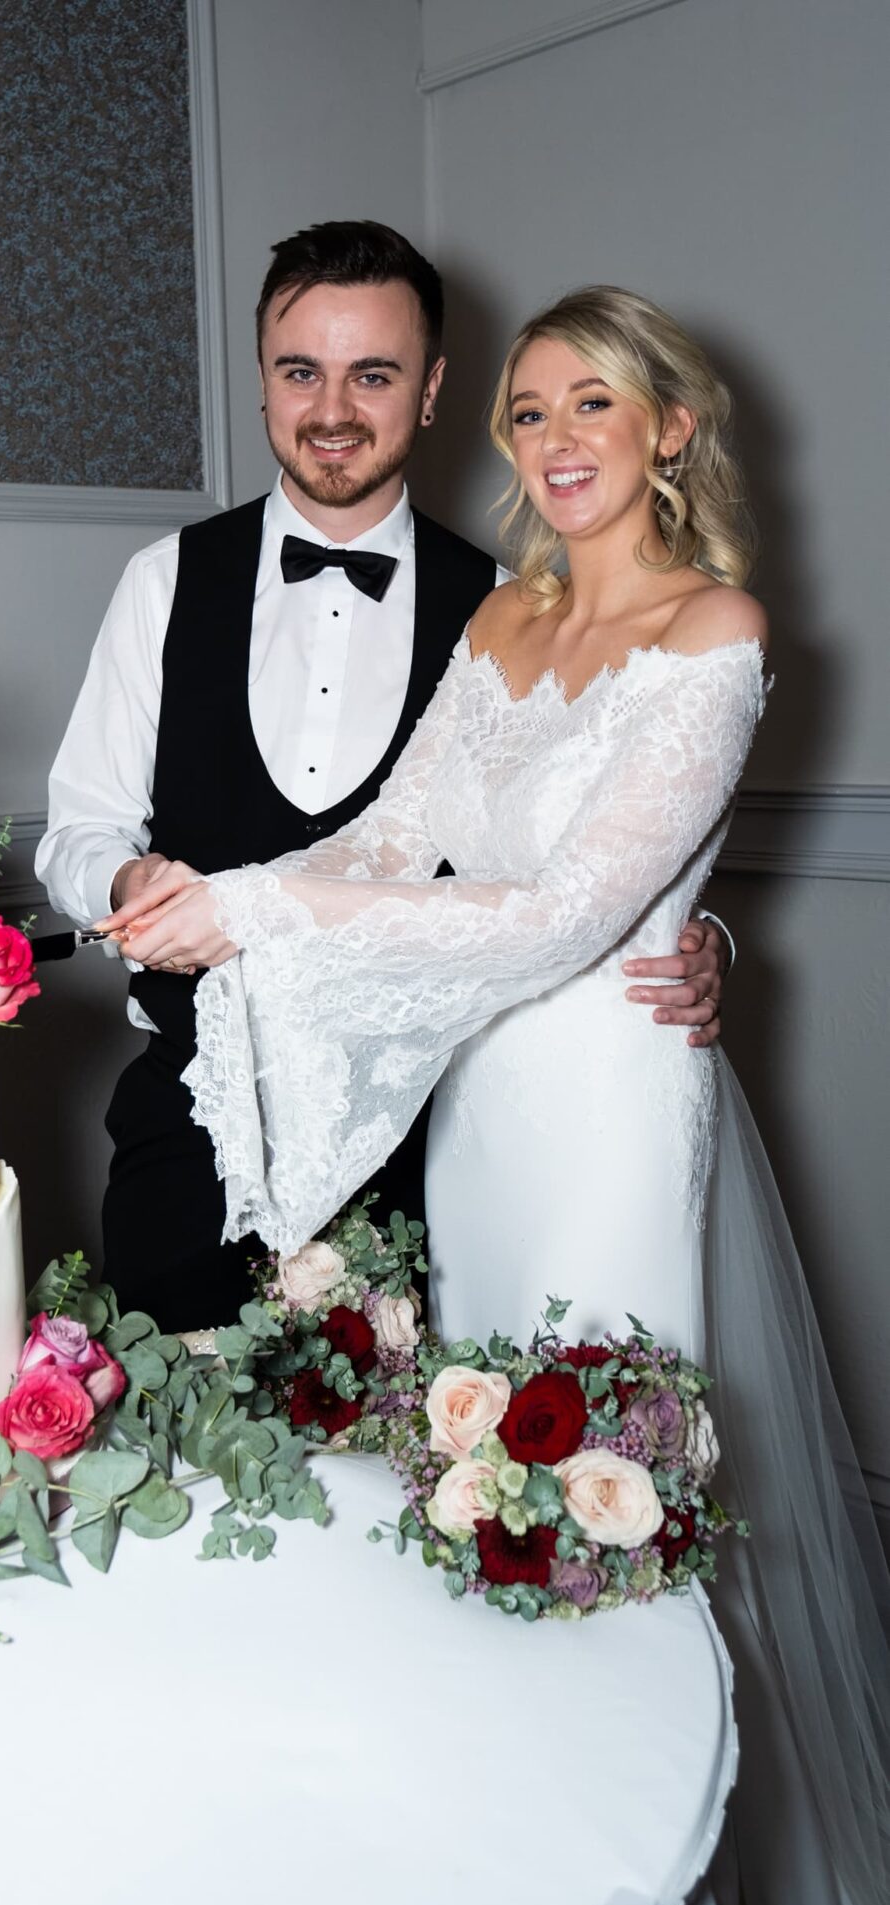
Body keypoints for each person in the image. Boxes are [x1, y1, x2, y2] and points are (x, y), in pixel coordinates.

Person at [103, 284, 890, 1905]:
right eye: (528, 414)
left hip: (608, 1111)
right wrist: (214, 889)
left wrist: (259, 922)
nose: (553, 443)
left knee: (624, 1502)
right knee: (490, 1474)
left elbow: (569, 913)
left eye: (590, 405)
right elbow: (395, 847)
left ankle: (683, 1897)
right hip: (487, 1116)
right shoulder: (504, 625)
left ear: (672, 427)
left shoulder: (718, 626)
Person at [37, 224, 729, 1332]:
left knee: (421, 1473)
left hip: (429, 1117)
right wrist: (130, 886)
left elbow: (587, 861)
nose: (331, 410)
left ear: (433, 390)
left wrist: (692, 941)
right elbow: (74, 830)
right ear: (261, 379)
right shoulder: (162, 580)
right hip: (195, 1099)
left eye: (374, 374)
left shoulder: (516, 606)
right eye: (299, 370)